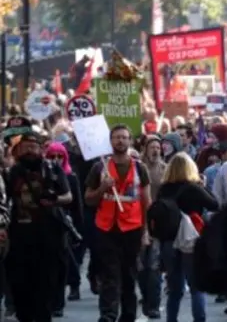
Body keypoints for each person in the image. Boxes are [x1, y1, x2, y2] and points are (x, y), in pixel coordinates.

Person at [85, 125, 152, 322]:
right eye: (116, 137)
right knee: (109, 275)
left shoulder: (140, 168)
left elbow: (146, 202)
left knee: (129, 275)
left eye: (124, 137)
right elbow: (88, 198)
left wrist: (146, 231)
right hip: (106, 228)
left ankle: (128, 315)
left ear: (130, 141)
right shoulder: (99, 168)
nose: (120, 141)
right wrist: (102, 188)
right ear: (110, 141)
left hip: (132, 229)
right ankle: (108, 315)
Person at [6, 131, 72, 322]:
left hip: (48, 240)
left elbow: (68, 197)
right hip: (19, 240)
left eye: (33, 147)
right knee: (21, 291)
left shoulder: (53, 170)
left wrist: (54, 199)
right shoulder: (12, 173)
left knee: (46, 290)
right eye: (25, 147)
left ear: (40, 149)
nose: (30, 151)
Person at [157, 152, 217, 322]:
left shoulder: (164, 189)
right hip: (192, 240)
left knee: (174, 290)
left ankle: (171, 319)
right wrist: (203, 186)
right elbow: (215, 204)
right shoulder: (194, 188)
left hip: (169, 240)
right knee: (196, 287)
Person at [44, 142, 83, 315]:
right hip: (46, 223)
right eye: (53, 156)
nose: (57, 160)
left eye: (60, 156)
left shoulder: (71, 177)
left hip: (66, 223)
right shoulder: (43, 176)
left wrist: (80, 227)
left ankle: (71, 286)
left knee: (65, 259)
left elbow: (76, 205)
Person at [138, 136, 166, 319]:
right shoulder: (138, 168)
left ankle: (154, 304)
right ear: (146, 149)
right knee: (140, 266)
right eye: (152, 147)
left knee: (154, 265)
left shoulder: (166, 169)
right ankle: (146, 298)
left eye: (158, 147)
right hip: (138, 220)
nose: (155, 150)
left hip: (158, 222)